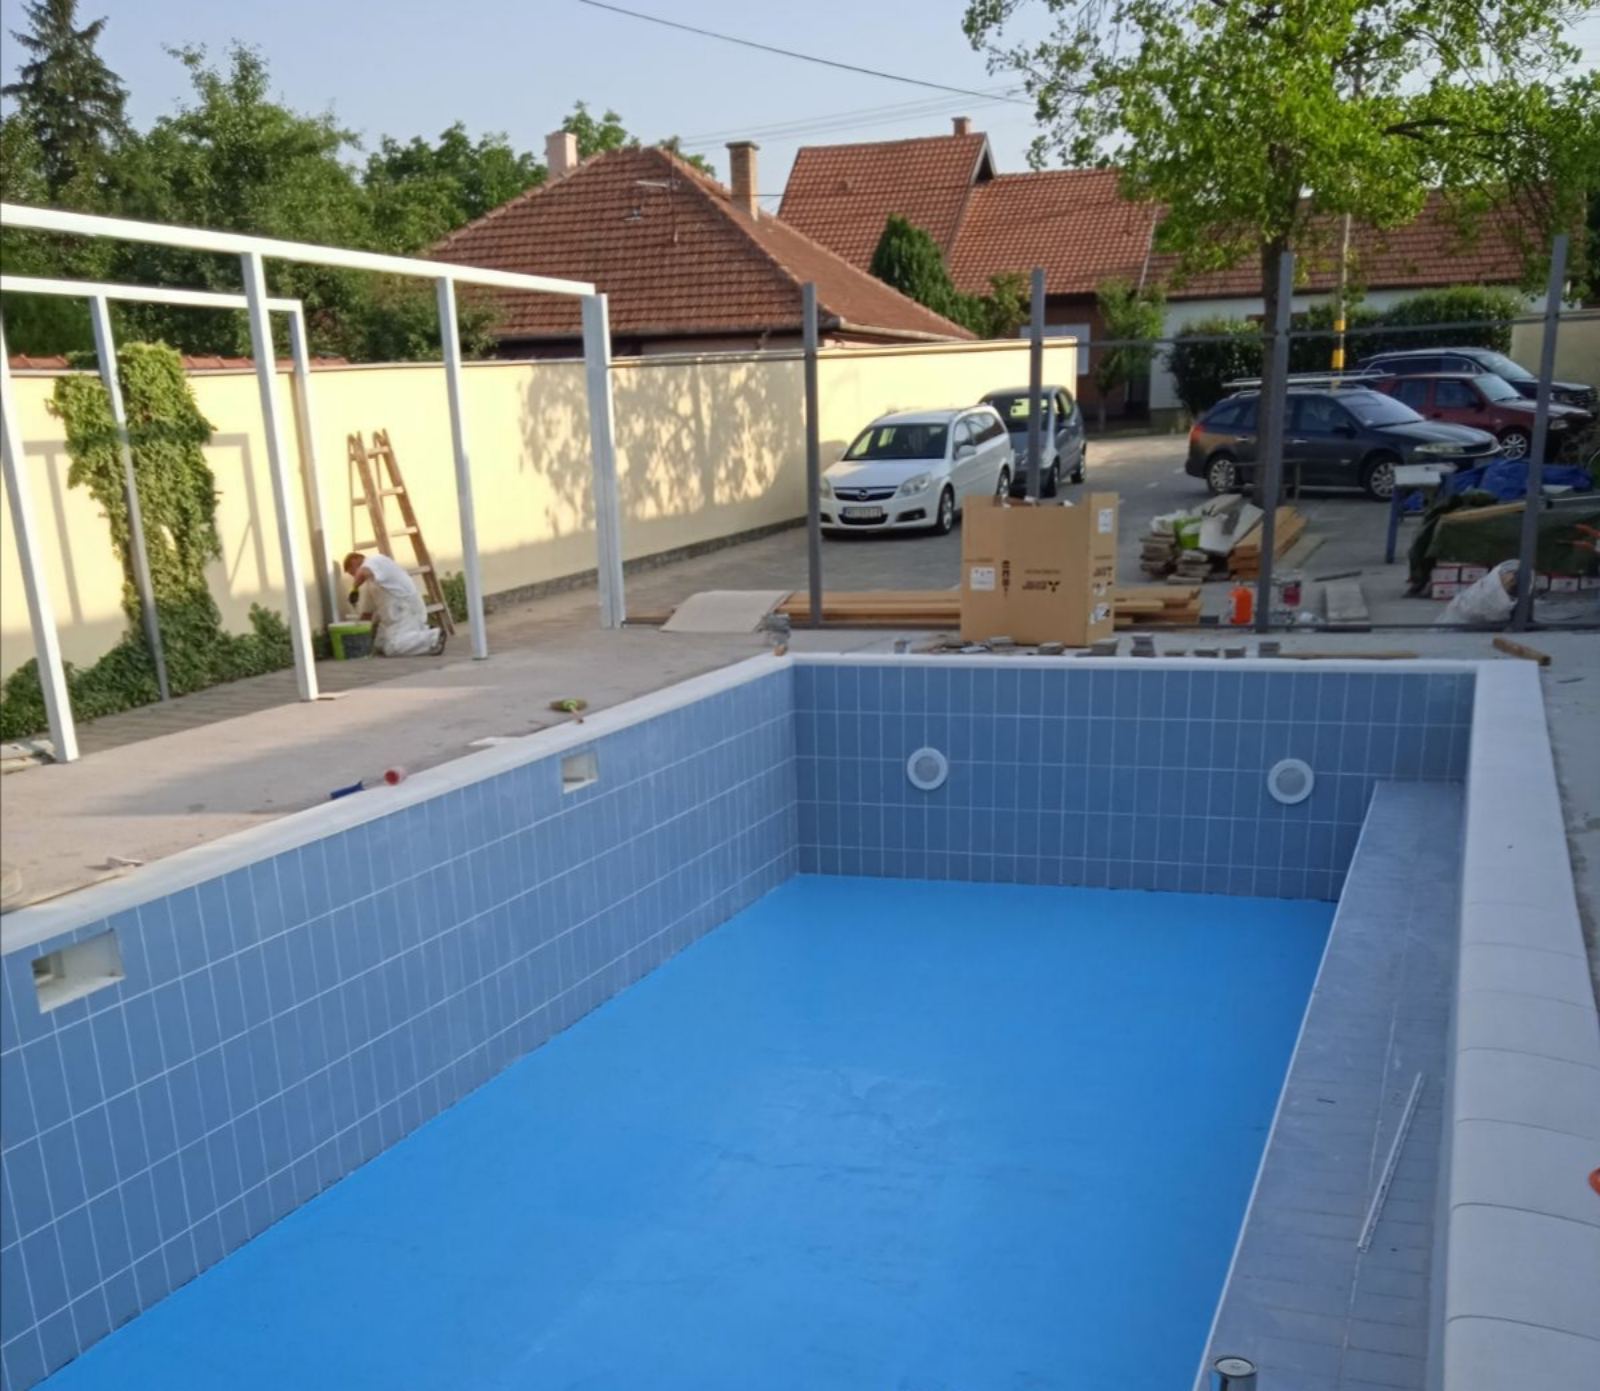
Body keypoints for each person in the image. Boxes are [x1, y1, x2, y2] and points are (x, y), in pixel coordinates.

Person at [342, 551, 446, 656]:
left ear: (355, 561)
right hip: (393, 619)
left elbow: (363, 572)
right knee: (379, 644)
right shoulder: (369, 584)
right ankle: (422, 632)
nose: (354, 577)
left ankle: (433, 637)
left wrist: (354, 589)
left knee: (392, 647)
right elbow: (367, 614)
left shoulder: (376, 560)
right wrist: (357, 634)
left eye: (352, 573)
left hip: (406, 611)